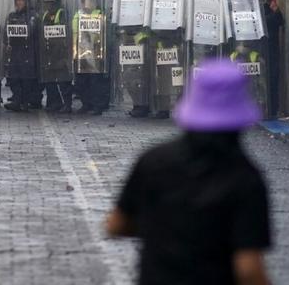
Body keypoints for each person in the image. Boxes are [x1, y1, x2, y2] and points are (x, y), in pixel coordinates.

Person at [107, 59, 271, 285]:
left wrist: (161, 226)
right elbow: (249, 269)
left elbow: (116, 225)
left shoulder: (153, 161)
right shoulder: (246, 178)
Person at [72, 0, 109, 114]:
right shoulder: (78, 15)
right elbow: (74, 32)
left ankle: (97, 106)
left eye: (90, 0)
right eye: (85, 0)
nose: (87, 3)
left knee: (95, 82)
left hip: (95, 53)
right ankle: (86, 104)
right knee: (82, 81)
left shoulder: (99, 15)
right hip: (80, 53)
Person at [40, 0, 73, 113]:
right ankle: (55, 103)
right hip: (49, 53)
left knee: (63, 80)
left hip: (60, 53)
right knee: (50, 80)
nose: (49, 5)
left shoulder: (62, 14)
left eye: (51, 3)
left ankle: (67, 104)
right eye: (47, 3)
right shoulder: (45, 15)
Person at [4, 0, 36, 112]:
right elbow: (6, 32)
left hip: (28, 52)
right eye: (17, 0)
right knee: (14, 77)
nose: (19, 2)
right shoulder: (12, 16)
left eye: (22, 0)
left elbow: (33, 32)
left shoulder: (32, 16)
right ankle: (17, 100)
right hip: (15, 52)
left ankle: (25, 102)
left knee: (26, 79)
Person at [258, 0, 283, 117]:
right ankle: (271, 109)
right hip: (268, 52)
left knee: (268, 81)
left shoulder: (263, 15)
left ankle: (270, 109)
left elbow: (279, 21)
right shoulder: (267, 15)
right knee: (270, 81)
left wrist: (276, 11)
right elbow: (278, 21)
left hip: (266, 52)